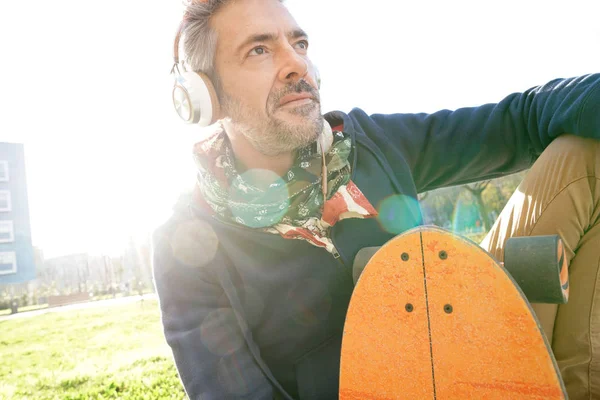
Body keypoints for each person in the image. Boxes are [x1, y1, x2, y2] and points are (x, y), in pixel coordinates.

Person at [152, 0, 600, 398]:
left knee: (586, 152)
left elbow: (516, 121)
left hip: (475, 328)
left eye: (300, 44)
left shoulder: (370, 142)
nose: (297, 65)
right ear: (205, 96)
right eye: (259, 50)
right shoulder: (186, 245)